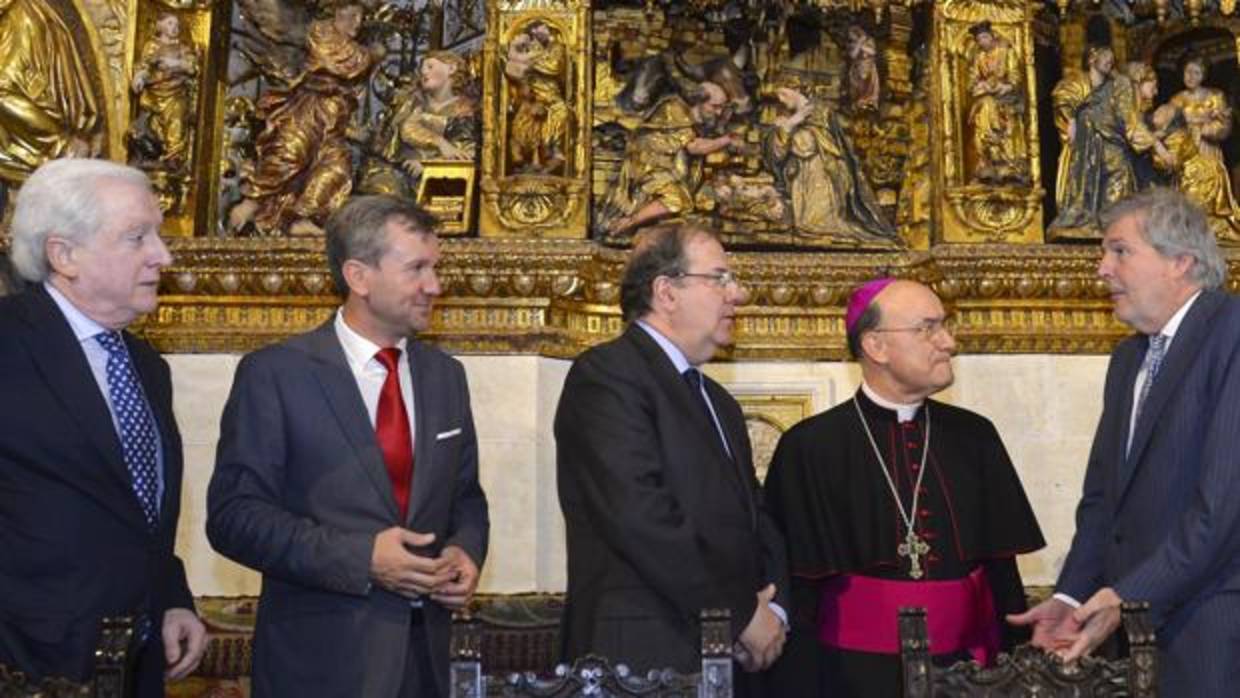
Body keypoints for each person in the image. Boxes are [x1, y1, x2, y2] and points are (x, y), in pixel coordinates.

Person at [207, 195, 489, 697]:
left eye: (436, 267)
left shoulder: (447, 376)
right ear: (358, 276)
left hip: (426, 664)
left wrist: (465, 550)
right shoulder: (276, 374)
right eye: (417, 269)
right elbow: (235, 517)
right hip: (320, 664)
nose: (435, 286)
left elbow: (466, 496)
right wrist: (362, 559)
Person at [1010, 187, 1240, 697]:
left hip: (1214, 630)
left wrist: (1129, 596)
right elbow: (1104, 503)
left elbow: (1222, 506)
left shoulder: (1232, 333)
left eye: (1120, 251)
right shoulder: (1128, 359)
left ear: (1180, 260)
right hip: (1135, 634)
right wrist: (1072, 597)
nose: (1102, 269)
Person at [765, 278, 1044, 698]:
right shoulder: (810, 446)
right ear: (876, 346)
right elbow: (799, 589)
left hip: (969, 673)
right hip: (848, 678)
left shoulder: (975, 436)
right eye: (928, 328)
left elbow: (1002, 573)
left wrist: (1013, 674)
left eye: (945, 325)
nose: (948, 342)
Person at [0, 158, 206, 696]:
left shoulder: (145, 365)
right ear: (63, 254)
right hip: (26, 666)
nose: (162, 255)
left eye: (158, 236)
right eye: (138, 237)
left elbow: (136, 511)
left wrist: (170, 597)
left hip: (135, 663)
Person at [554, 223, 788, 691]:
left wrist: (773, 610)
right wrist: (740, 613)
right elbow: (640, 517)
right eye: (719, 278)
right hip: (643, 654)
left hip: (730, 653)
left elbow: (755, 516)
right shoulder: (606, 376)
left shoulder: (718, 400)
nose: (737, 294)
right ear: (666, 292)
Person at [229, 3, 379, 236]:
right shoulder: (320, 32)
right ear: (336, 11)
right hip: (309, 105)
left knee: (336, 169)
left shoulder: (351, 44)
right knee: (291, 151)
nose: (357, 23)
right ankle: (253, 200)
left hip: (336, 117)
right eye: (352, 15)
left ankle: (302, 217)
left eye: (361, 17)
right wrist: (371, 55)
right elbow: (342, 62)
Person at [597, 82, 738, 240]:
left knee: (686, 201)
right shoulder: (674, 109)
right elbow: (694, 147)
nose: (719, 112)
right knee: (676, 199)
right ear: (698, 101)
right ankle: (628, 223)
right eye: (715, 106)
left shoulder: (698, 117)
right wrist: (728, 139)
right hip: (649, 163)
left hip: (666, 166)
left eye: (722, 107)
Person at [764, 85, 898, 245]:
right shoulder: (787, 117)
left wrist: (797, 130)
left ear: (796, 89)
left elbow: (830, 146)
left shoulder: (822, 112)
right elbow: (776, 153)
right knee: (807, 224)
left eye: (783, 93)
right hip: (802, 175)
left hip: (824, 171)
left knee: (819, 222)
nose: (781, 100)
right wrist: (791, 124)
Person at [1050, 45, 1140, 235]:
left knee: (1120, 169)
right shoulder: (1075, 83)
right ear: (1092, 59)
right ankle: (1083, 215)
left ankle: (1112, 220)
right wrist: (1072, 119)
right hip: (1086, 141)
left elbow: (1125, 115)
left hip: (1111, 138)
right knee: (1085, 175)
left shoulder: (1114, 85)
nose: (1110, 60)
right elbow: (1062, 98)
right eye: (1106, 56)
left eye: (1112, 58)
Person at [1159, 56, 1240, 240]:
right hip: (1186, 153)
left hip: (1208, 151)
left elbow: (1225, 127)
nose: (1191, 76)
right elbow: (1167, 125)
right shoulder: (1177, 99)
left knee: (1212, 191)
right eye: (1188, 72)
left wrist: (1203, 129)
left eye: (1196, 72)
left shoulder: (1215, 96)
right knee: (1187, 194)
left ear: (1203, 75)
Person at [965, 22, 1028, 185]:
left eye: (985, 37)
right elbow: (972, 81)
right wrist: (979, 86)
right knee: (984, 107)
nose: (982, 42)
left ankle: (1008, 163)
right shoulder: (979, 57)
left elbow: (1015, 77)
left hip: (1007, 97)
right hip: (987, 98)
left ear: (992, 36)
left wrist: (1005, 86)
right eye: (979, 39)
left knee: (992, 108)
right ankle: (988, 160)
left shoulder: (1006, 52)